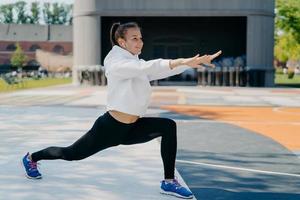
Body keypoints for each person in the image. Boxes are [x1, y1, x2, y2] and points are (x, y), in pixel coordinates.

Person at [22, 22, 221, 199]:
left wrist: (189, 63)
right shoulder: (115, 62)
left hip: (131, 128)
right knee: (71, 154)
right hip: (109, 128)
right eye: (134, 38)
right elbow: (145, 68)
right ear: (122, 42)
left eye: (141, 38)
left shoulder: (134, 62)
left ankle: (169, 181)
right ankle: (32, 158)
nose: (140, 42)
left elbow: (155, 69)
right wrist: (181, 62)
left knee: (168, 126)